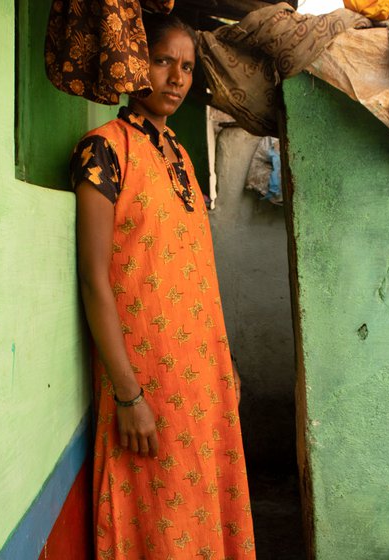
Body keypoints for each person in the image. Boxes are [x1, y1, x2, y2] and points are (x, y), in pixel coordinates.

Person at [70, 12, 256, 559]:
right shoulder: (104, 150)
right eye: (162, 61)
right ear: (135, 63)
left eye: (187, 67)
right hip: (147, 390)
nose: (176, 78)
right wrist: (128, 395)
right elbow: (94, 280)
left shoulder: (180, 157)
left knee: (201, 525)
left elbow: (195, 276)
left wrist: (227, 367)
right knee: (156, 526)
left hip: (203, 386)